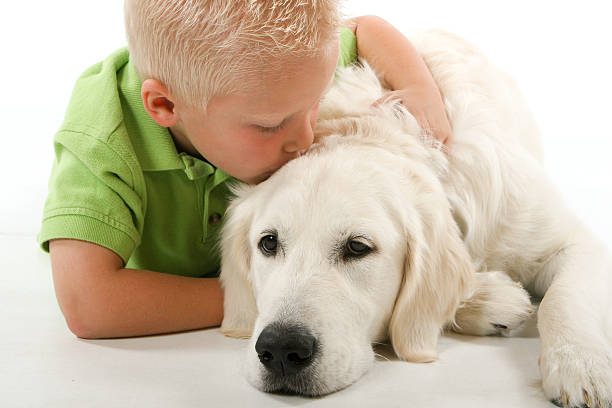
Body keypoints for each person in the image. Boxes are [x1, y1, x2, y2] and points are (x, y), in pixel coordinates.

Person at [39, 0, 451, 339]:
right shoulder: (102, 141)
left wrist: (419, 88)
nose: (305, 138)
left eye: (314, 103)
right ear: (164, 107)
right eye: (271, 125)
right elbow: (89, 305)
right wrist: (257, 295)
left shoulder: (286, 69)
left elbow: (364, 29)